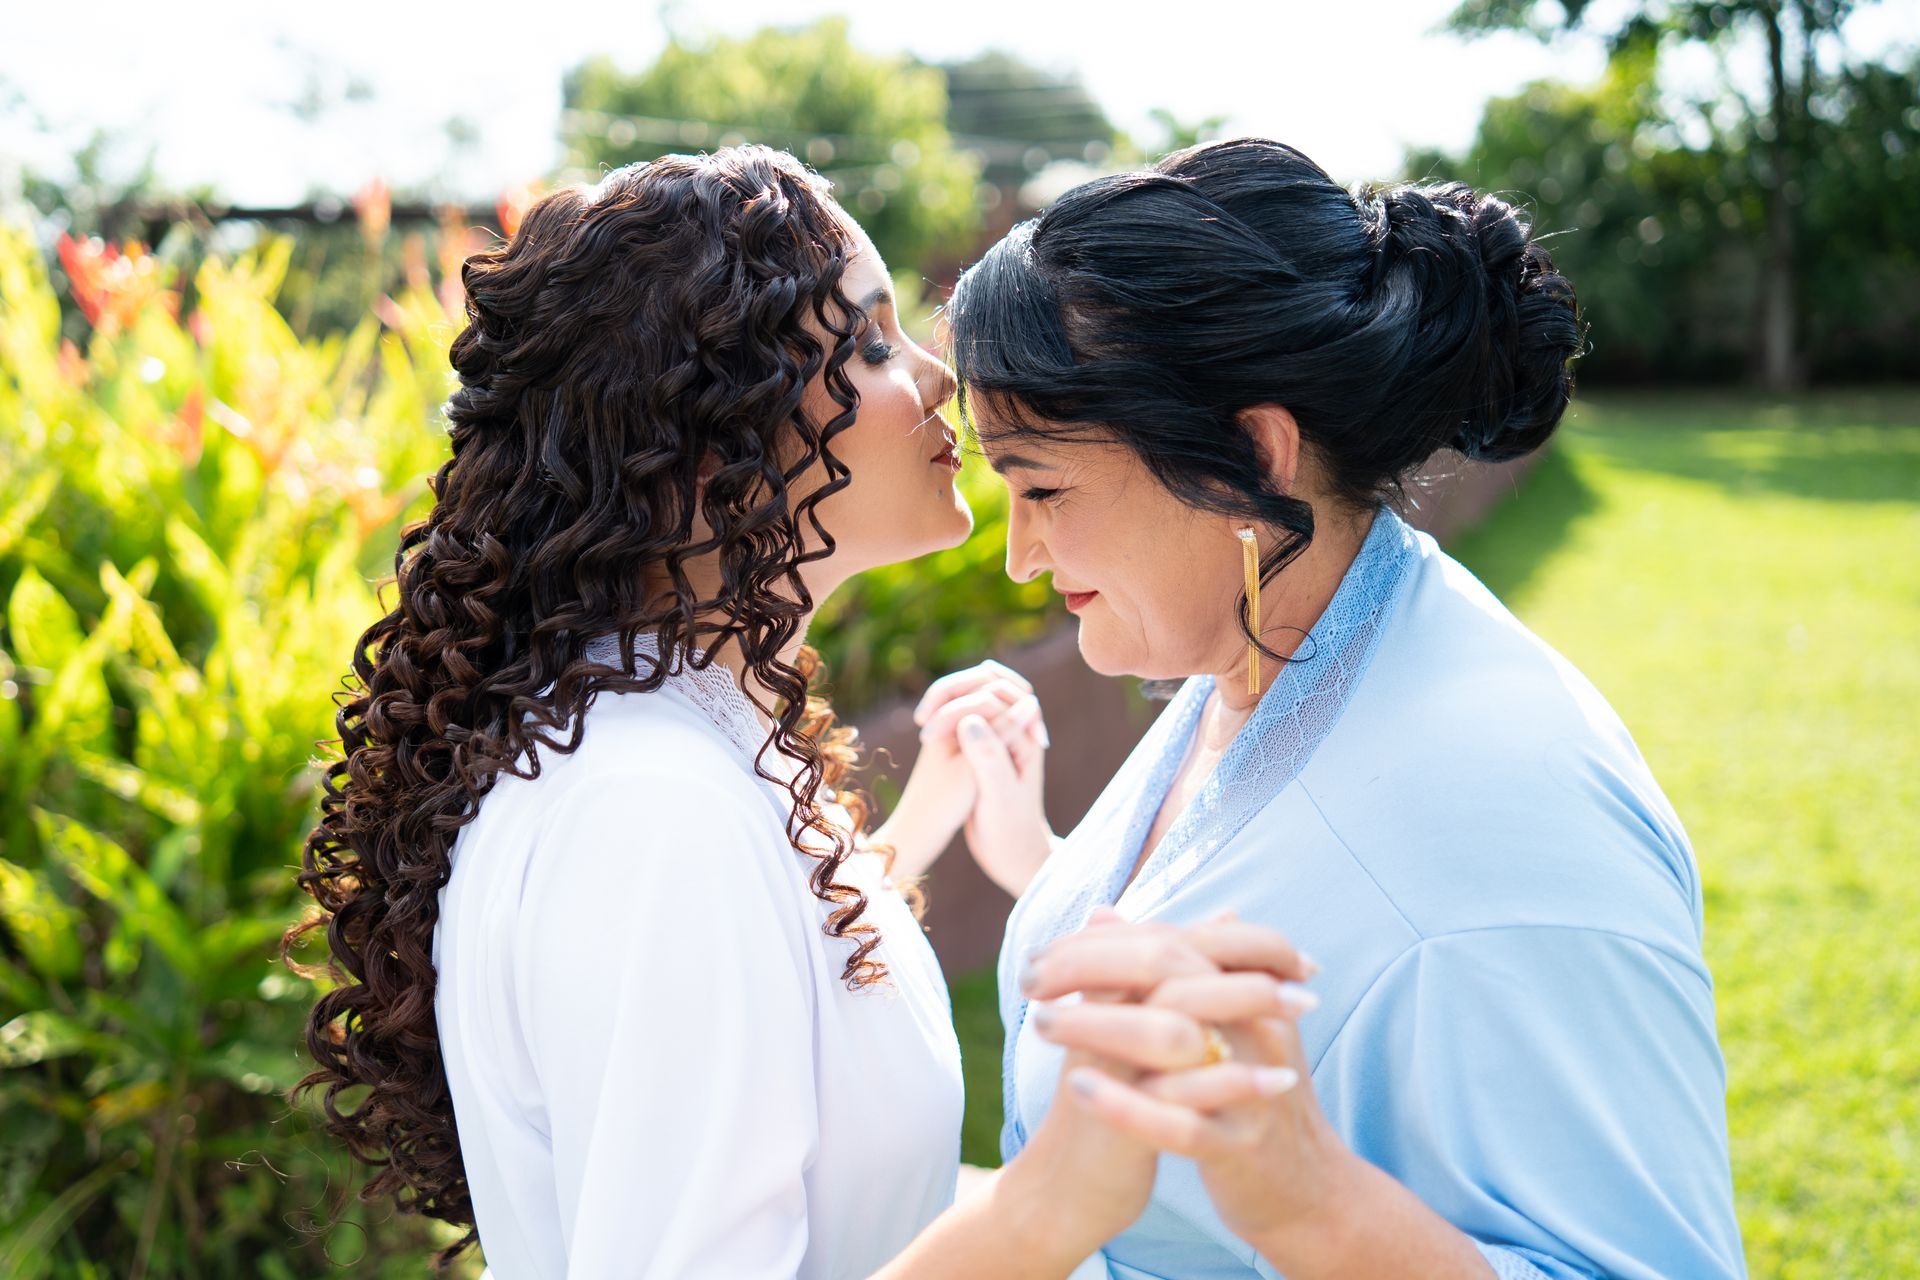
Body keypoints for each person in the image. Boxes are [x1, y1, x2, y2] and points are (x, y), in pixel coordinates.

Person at [284, 144, 1316, 1280]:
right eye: (872, 343)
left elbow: (795, 1048)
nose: (938, 378)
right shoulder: (651, 808)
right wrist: (1051, 1203)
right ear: (704, 439)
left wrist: (932, 833)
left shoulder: (680, 746)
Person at [922, 136, 1748, 1279]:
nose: (1020, 555)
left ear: (1253, 456)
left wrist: (1314, 1207)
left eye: (1045, 487)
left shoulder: (1502, 813)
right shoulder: (1263, 657)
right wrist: (1048, 867)